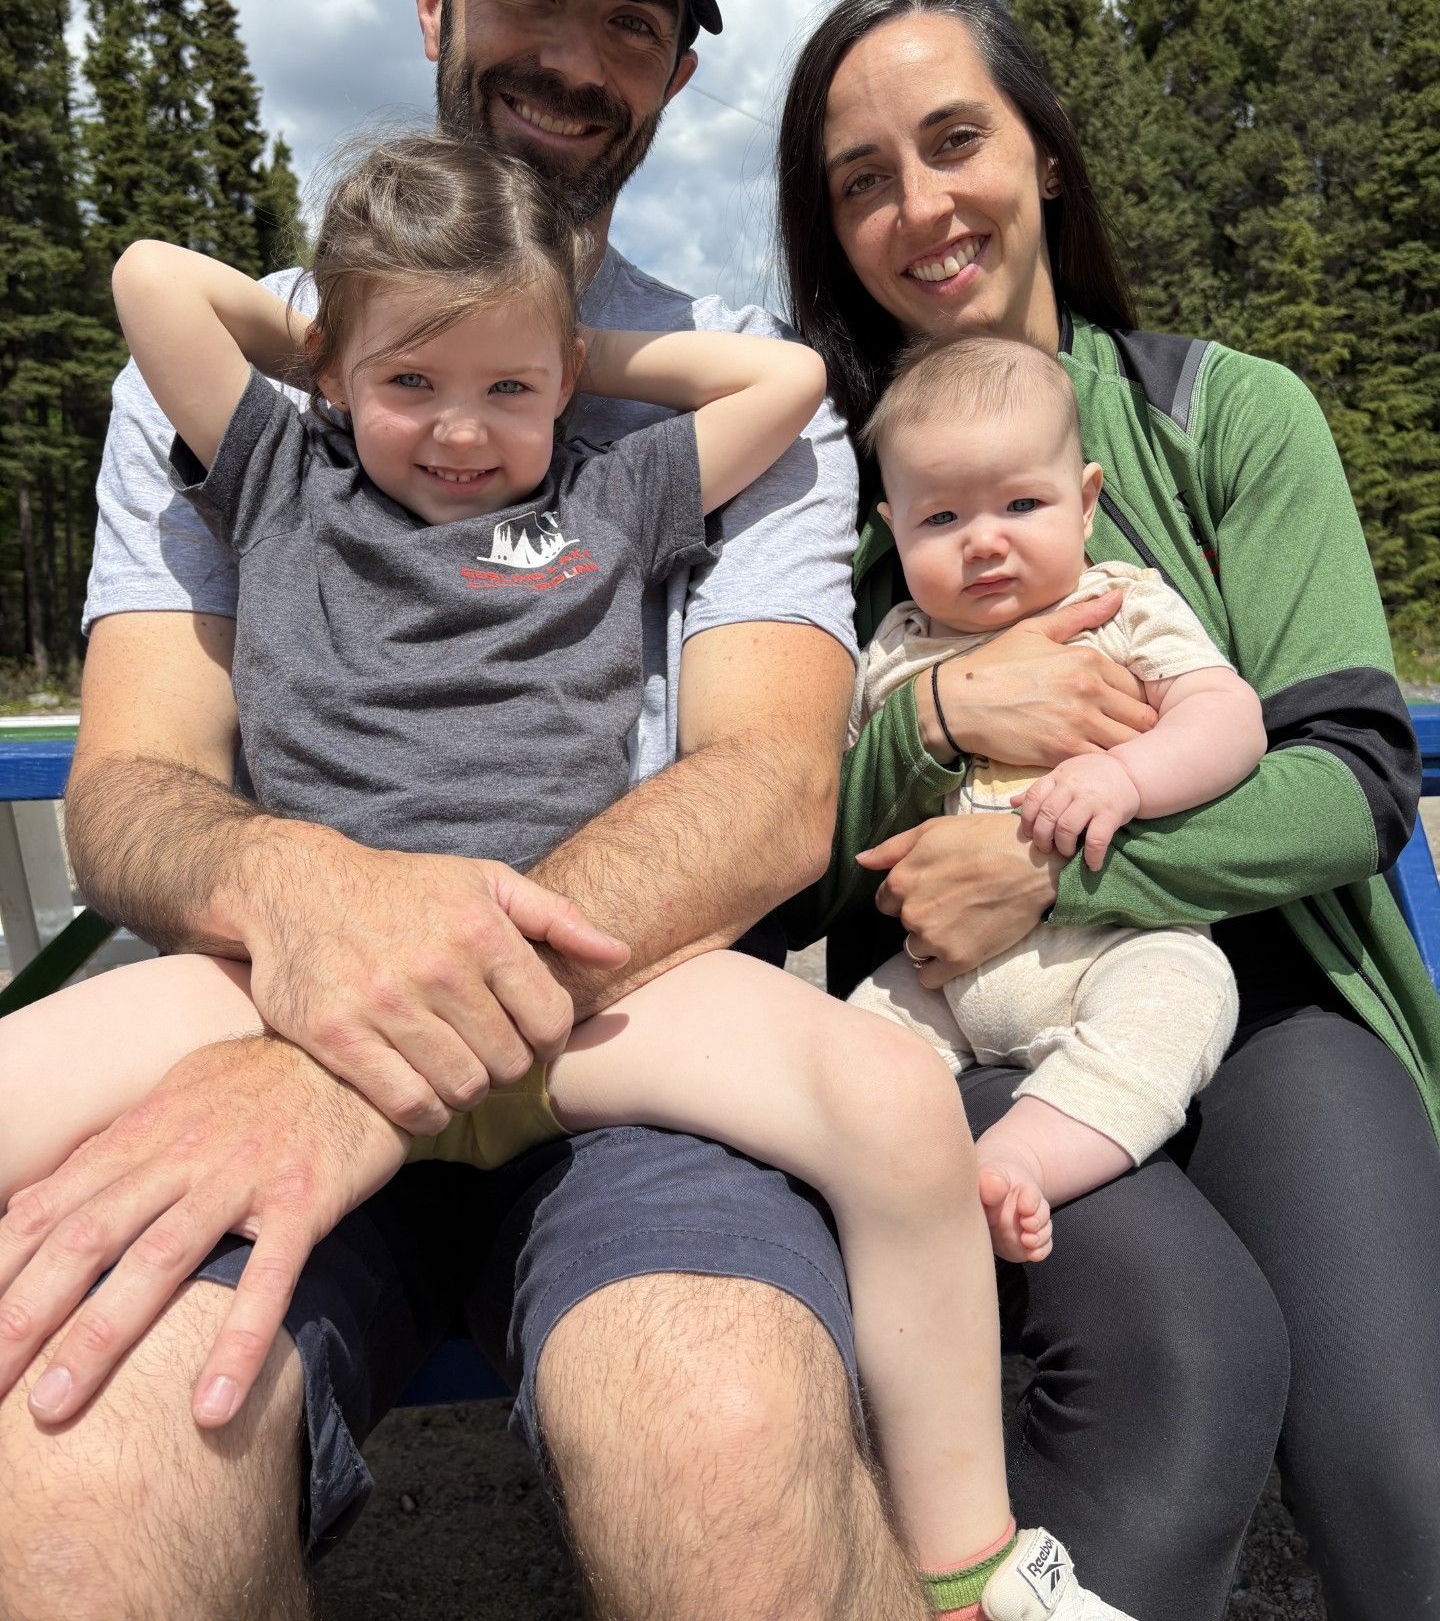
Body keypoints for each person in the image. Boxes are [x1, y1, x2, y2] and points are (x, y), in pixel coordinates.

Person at [3, 139, 1136, 1621]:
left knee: (892, 1102)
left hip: (580, 990)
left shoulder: (610, 493)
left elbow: (785, 383)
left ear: (561, 380)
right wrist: (364, 323)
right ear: (339, 371)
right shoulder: (286, 468)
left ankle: (973, 1562)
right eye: (413, 382)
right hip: (298, 994)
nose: (459, 429)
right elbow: (150, 280)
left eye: (507, 387)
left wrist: (560, 343)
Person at [0, 0, 912, 1621]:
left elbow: (764, 791)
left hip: (625, 1063)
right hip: (256, 1025)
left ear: (673, 77)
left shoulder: (722, 403)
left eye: (635, 19)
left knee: (731, 1450)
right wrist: (360, 334)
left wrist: (558, 344)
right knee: (77, 1478)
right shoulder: (240, 398)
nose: (576, 54)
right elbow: (133, 792)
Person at [776, 0, 1440, 1620]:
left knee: (1404, 1463)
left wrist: (1056, 860)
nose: (921, 207)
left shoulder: (1227, 416)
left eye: (955, 141)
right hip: (971, 1010)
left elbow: (1353, 775)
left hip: (1269, 988)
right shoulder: (827, 507)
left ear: (1047, 156)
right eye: (862, 181)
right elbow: (792, 853)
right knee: (1181, 1375)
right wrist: (941, 719)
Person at [845, 335, 1265, 1260]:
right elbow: (840, 789)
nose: (984, 540)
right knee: (841, 1051)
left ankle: (1024, 1159)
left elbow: (1229, 717)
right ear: (893, 527)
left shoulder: (1124, 607)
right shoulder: (895, 651)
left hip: (1113, 942)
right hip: (940, 970)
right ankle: (830, 1200)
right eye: (940, 517)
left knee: (1180, 1000)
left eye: (1022, 505)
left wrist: (1127, 776)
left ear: (1086, 503)